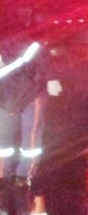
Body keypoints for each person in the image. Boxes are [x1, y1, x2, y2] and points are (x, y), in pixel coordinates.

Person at [0, 30, 62, 192]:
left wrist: (52, 79)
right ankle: (2, 173)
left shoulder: (16, 43)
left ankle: (24, 173)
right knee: (2, 134)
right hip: (6, 97)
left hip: (33, 92)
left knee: (31, 133)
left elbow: (42, 56)